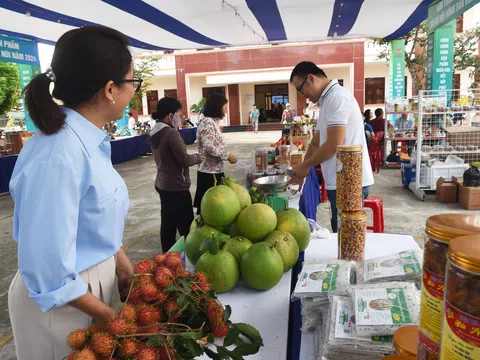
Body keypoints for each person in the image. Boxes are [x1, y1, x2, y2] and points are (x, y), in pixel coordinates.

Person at [8, 26, 136, 360]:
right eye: (131, 83)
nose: (133, 94)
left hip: (88, 291)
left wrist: (118, 259)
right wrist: (105, 314)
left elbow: (91, 217)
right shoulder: (58, 154)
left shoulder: (88, 141)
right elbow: (47, 266)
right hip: (60, 305)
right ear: (110, 89)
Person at [289, 61, 374, 233]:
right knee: (340, 234)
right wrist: (301, 171)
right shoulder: (327, 100)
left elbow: (333, 145)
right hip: (338, 180)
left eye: (300, 89)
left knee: (348, 237)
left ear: (311, 79)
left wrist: (305, 166)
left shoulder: (338, 98)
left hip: (349, 181)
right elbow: (316, 142)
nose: (302, 95)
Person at [148, 97, 203, 251]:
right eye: (179, 114)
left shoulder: (155, 131)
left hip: (163, 183)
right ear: (170, 116)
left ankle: (168, 255)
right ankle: (190, 256)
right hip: (176, 186)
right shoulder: (171, 133)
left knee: (168, 222)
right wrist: (198, 157)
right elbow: (184, 160)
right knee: (186, 226)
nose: (181, 118)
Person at [194, 94, 237, 214]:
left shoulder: (213, 122)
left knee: (218, 210)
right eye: (225, 107)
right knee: (210, 210)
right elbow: (209, 147)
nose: (226, 110)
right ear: (217, 107)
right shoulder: (208, 122)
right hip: (209, 173)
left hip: (216, 170)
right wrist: (227, 155)